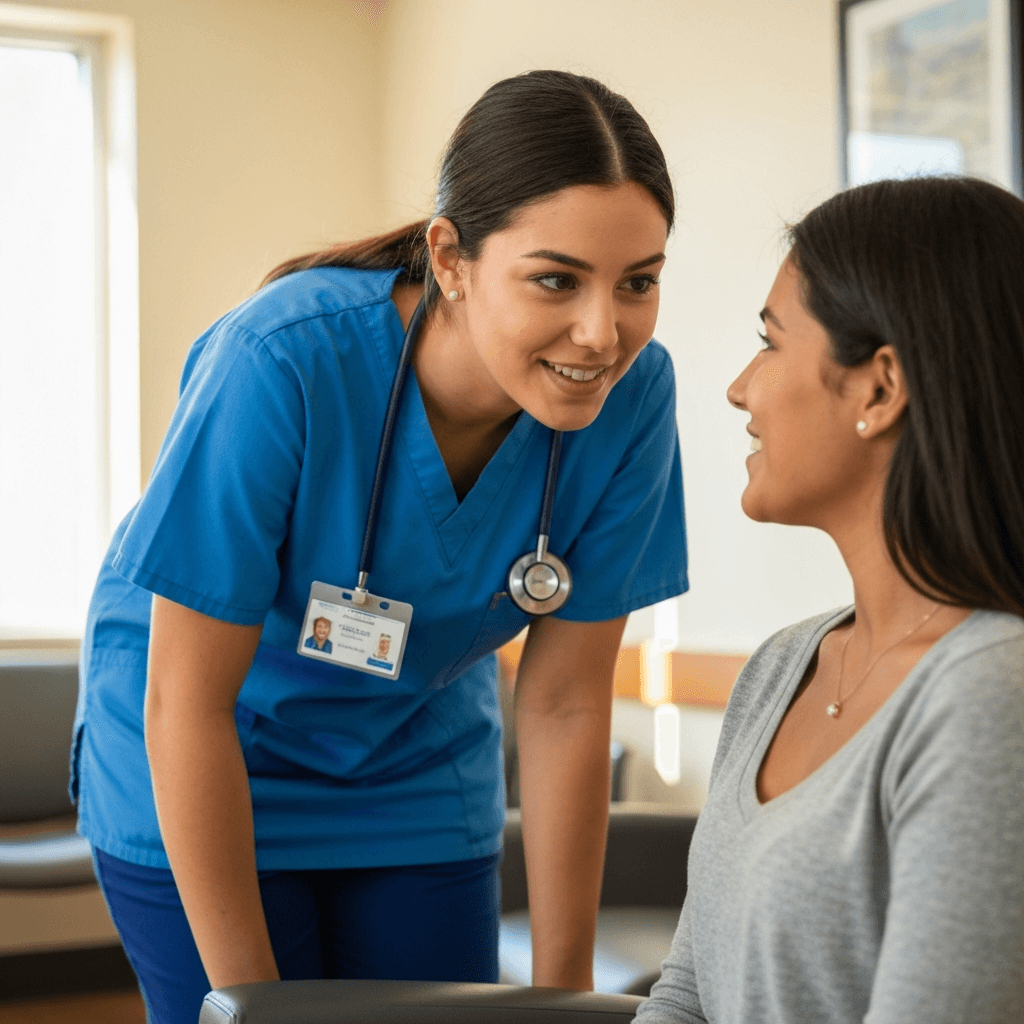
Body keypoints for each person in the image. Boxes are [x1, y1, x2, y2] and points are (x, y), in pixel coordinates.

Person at [71, 70, 688, 1024]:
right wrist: (251, 1009)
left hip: (413, 769)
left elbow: (564, 700)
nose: (603, 333)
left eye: (638, 282)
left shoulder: (632, 400)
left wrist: (566, 1000)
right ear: (451, 257)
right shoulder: (284, 360)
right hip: (204, 748)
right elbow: (184, 700)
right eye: (556, 279)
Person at [636, 176, 1024, 1024]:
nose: (741, 388)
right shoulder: (782, 666)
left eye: (770, 344)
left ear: (880, 390)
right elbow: (688, 991)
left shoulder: (989, 696)